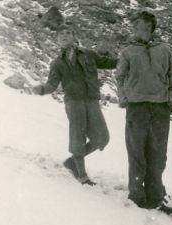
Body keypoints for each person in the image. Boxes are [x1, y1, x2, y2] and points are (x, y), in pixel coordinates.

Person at [31, 24, 117, 186]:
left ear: (74, 37)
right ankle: (81, 174)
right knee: (78, 137)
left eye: (68, 33)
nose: (64, 36)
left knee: (102, 137)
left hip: (91, 100)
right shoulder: (57, 63)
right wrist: (41, 89)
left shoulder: (88, 54)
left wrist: (127, 59)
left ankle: (72, 161)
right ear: (57, 40)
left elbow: (107, 63)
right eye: (61, 34)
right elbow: (51, 85)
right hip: (74, 102)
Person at [115, 11, 172, 214]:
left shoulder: (165, 50)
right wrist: (123, 98)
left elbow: (171, 77)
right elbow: (120, 77)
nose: (134, 28)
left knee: (158, 155)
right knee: (136, 152)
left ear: (149, 27)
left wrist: (171, 100)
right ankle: (136, 196)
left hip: (160, 108)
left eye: (138, 24)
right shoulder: (128, 52)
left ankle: (155, 197)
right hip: (137, 108)